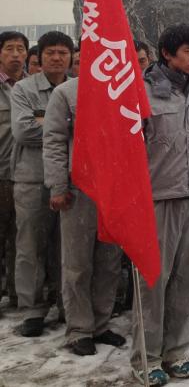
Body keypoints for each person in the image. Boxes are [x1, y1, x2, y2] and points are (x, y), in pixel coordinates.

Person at [131, 24, 189, 385]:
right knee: (153, 281)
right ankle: (146, 358)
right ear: (166, 54)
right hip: (159, 198)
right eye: (187, 51)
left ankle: (175, 351)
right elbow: (131, 153)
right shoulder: (142, 94)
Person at [43, 77, 123, 355]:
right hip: (79, 189)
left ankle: (101, 323)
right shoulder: (66, 92)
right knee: (77, 263)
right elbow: (53, 139)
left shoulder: (122, 87)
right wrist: (58, 185)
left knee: (109, 261)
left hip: (115, 188)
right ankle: (79, 329)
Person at [10, 31, 74, 337]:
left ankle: (67, 304)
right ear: (40, 55)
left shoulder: (78, 89)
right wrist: (65, 129)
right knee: (31, 246)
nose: (57, 58)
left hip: (70, 178)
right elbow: (23, 132)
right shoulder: (23, 89)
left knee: (68, 247)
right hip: (32, 178)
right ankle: (33, 310)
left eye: (63, 52)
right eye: (51, 52)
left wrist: (46, 123)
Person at [0, 31, 29, 311]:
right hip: (0, 173)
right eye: (10, 49)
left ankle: (17, 294)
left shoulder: (32, 87)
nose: (16, 54)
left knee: (19, 239)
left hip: (22, 174)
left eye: (21, 49)